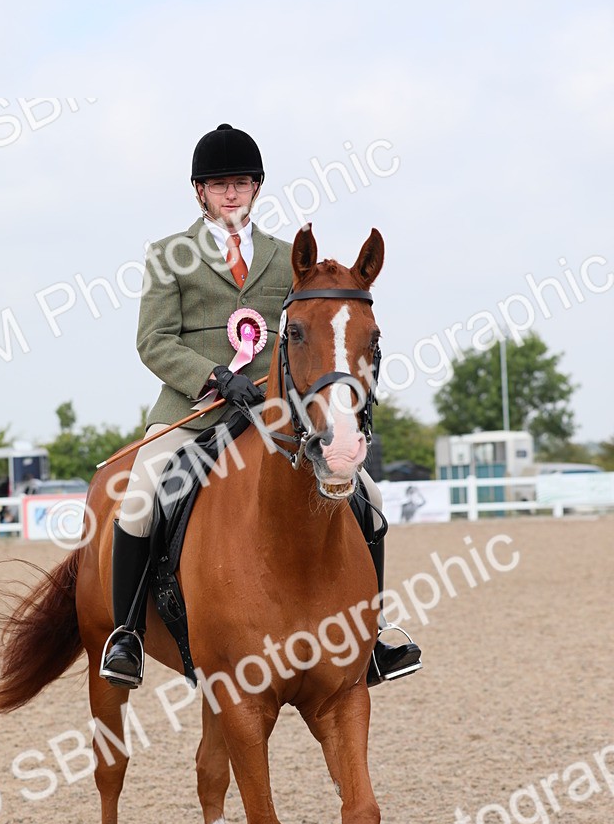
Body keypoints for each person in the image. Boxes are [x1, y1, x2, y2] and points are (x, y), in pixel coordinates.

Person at [100, 123, 421, 690]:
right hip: (192, 410)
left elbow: (309, 334)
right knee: (140, 498)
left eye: (242, 183)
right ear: (200, 191)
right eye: (219, 184)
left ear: (257, 187)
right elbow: (153, 340)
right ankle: (126, 635)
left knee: (367, 496)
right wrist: (215, 377)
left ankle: (370, 637)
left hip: (275, 415)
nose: (231, 193)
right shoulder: (167, 256)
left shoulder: (283, 257)